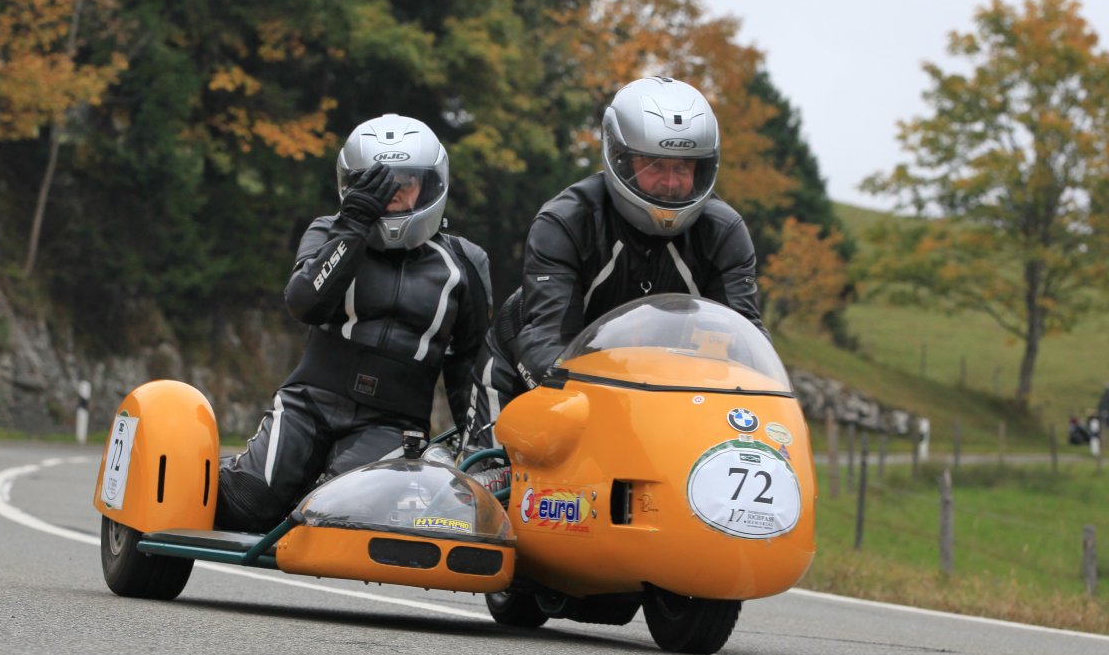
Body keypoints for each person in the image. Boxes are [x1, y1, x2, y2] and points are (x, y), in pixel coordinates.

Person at [215, 113, 493, 533]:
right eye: (378, 182)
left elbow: (468, 365)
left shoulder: (466, 262)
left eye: (406, 181)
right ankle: (210, 473)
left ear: (430, 184)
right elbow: (304, 303)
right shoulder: (328, 230)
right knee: (249, 503)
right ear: (353, 184)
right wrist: (354, 224)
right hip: (307, 403)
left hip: (394, 425)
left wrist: (479, 453)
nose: (394, 193)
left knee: (335, 514)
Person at [475, 75, 762, 423]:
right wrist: (610, 413)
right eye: (654, 165)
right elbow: (550, 338)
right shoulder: (566, 222)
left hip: (658, 391)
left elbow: (744, 344)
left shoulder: (724, 232)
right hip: (524, 377)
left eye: (684, 167)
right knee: (505, 457)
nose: (671, 183)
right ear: (620, 159)